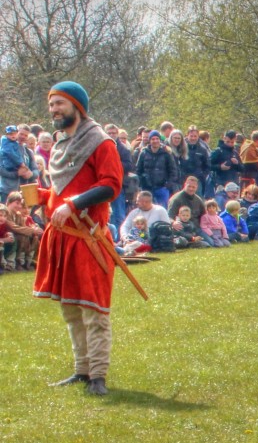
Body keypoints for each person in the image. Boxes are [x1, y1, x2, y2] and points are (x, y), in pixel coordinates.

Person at [32, 81, 123, 396]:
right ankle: (81, 370)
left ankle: (98, 375)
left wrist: (73, 205)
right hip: (62, 239)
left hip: (88, 239)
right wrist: (44, 195)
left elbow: (111, 185)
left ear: (77, 106)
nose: (54, 110)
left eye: (60, 103)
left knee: (93, 310)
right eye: (51, 104)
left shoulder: (101, 142)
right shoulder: (61, 145)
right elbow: (63, 190)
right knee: (71, 310)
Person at [134, 131, 179, 205]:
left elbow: (173, 171)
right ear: (149, 140)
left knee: (162, 209)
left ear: (160, 140)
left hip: (162, 188)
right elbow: (138, 170)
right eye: (153, 139)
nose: (155, 141)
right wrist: (141, 182)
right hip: (146, 188)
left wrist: (168, 184)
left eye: (157, 139)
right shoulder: (143, 153)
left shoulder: (166, 153)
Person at [5, 190, 43, 268]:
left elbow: (23, 226)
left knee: (34, 237)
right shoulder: (5, 213)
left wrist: (35, 229)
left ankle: (28, 260)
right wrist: (32, 230)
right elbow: (14, 227)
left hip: (15, 236)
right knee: (22, 237)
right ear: (9, 202)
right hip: (6, 236)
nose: (19, 206)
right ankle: (16, 262)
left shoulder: (18, 215)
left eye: (20, 204)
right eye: (17, 203)